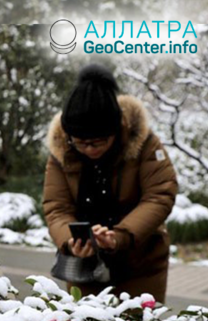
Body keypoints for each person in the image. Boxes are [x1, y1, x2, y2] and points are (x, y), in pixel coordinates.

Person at [42, 63, 178, 303]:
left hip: (141, 263)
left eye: (98, 142)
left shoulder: (144, 143)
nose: (89, 149)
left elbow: (160, 195)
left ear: (117, 132)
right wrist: (71, 241)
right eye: (81, 143)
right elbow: (56, 207)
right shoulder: (62, 150)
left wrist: (119, 236)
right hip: (83, 265)